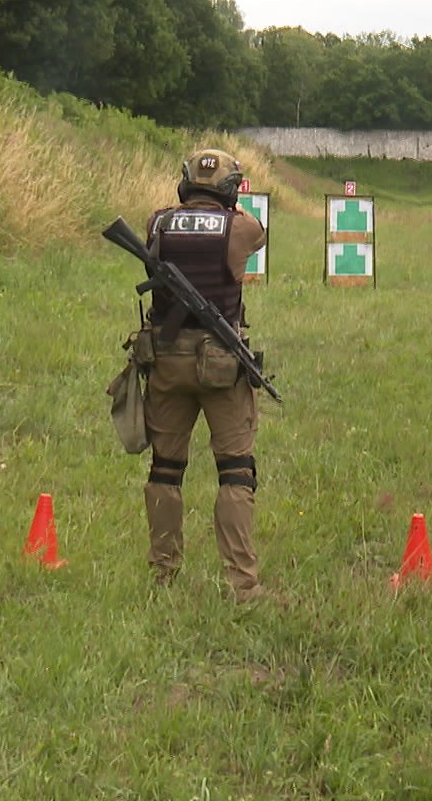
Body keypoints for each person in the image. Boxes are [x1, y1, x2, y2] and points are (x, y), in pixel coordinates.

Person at [138, 149, 268, 601]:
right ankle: (242, 585)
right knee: (235, 472)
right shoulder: (240, 227)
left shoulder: (158, 223)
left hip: (166, 360)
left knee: (166, 469)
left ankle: (163, 574)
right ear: (229, 190)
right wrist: (230, 204)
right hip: (219, 364)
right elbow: (256, 231)